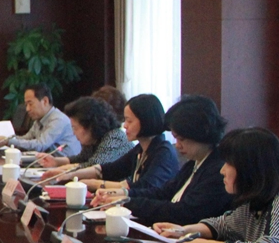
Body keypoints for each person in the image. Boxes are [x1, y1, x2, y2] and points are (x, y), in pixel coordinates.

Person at [92, 94, 231, 225]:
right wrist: (124, 195)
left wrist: (128, 203)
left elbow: (184, 212)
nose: (177, 145)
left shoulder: (217, 170)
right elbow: (162, 193)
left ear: (200, 133)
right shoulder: (194, 163)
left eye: (181, 139)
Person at [52, 93, 179, 192]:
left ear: (146, 120)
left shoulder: (163, 152)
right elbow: (110, 169)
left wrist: (96, 184)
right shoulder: (140, 149)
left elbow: (144, 187)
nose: (125, 125)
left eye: (129, 121)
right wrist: (71, 175)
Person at [35, 97, 132, 176]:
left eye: (75, 128)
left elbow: (94, 167)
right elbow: (81, 158)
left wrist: (63, 170)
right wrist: (55, 161)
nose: (73, 133)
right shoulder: (93, 139)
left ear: (90, 126)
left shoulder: (114, 137)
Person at [0, 84, 80, 156]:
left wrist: (9, 142)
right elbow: (27, 138)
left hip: (67, 164)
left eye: (30, 104)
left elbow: (40, 145)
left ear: (45, 101)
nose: (27, 109)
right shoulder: (39, 119)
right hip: (49, 163)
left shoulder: (58, 120)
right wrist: (6, 140)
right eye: (26, 105)